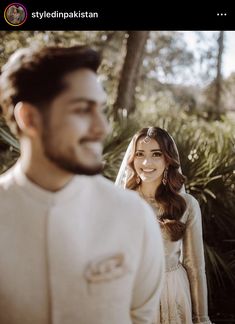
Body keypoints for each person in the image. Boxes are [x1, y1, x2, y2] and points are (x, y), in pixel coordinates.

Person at [0, 46, 165, 324]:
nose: (102, 128)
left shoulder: (133, 216)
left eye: (100, 109)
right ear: (29, 118)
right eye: (82, 110)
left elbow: (141, 318)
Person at [115, 126, 212, 324]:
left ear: (168, 160)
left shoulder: (187, 205)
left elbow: (195, 267)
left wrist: (201, 318)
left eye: (156, 154)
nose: (146, 162)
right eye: (140, 154)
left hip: (174, 292)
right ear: (132, 159)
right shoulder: (120, 203)